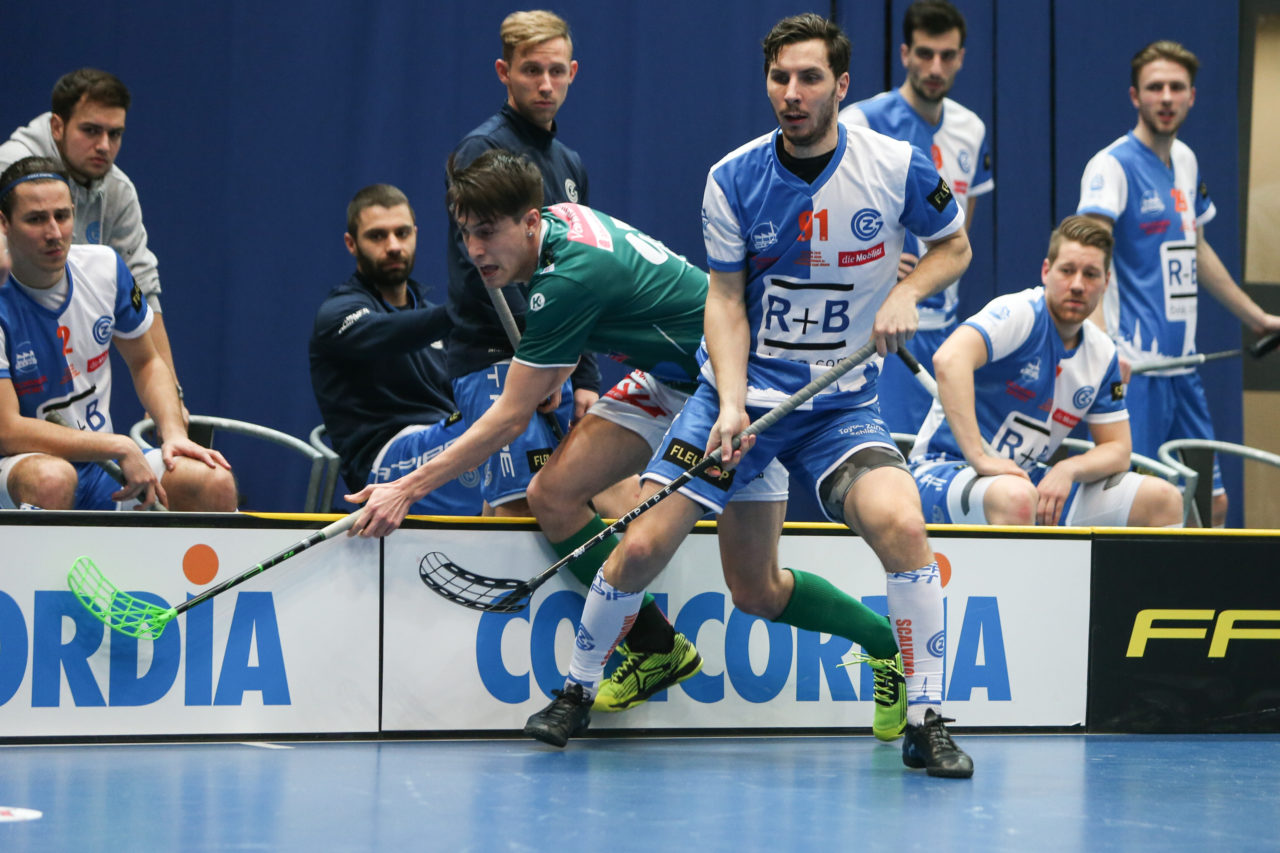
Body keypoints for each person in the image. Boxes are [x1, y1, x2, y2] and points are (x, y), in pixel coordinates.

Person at [521, 14, 975, 777]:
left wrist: (914, 293)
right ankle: (574, 690)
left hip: (839, 406)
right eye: (779, 79)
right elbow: (724, 302)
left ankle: (928, 718)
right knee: (653, 550)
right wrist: (730, 402)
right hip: (743, 402)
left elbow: (953, 246)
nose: (791, 95)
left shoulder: (897, 167)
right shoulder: (733, 177)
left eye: (807, 79)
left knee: (901, 523)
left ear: (841, 85)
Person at [350, 150, 909, 725]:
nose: (474, 251)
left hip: (730, 391)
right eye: (467, 234)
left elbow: (507, 420)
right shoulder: (561, 227)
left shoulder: (565, 278)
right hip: (668, 379)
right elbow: (613, 305)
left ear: (531, 222)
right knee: (551, 495)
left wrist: (405, 489)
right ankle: (654, 648)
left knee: (756, 590)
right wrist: (559, 368)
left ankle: (884, 645)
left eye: (488, 233)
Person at [1077, 40, 1280, 527]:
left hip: (1184, 373)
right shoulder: (1111, 166)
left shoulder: (1185, 161)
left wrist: (1257, 318)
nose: (1165, 97)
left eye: (1176, 87)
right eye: (1154, 88)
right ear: (1135, 96)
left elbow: (1197, 247)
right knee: (1138, 508)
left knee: (1211, 503)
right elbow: (1089, 257)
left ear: (1191, 96)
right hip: (1136, 375)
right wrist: (1104, 348)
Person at [909, 216, 1185, 528]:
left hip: (1025, 481)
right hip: (944, 469)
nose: (1078, 285)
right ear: (1046, 271)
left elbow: (1119, 450)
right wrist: (980, 458)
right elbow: (948, 359)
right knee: (1017, 499)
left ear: (1106, 282)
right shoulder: (1021, 312)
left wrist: (1067, 470)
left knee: (1163, 499)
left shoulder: (1103, 352)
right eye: (1067, 271)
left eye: (1091, 274)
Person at [444, 10, 610, 518]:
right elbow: (485, 272)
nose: (545, 84)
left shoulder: (570, 163)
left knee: (608, 501)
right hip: (497, 358)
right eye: (531, 71)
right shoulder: (483, 149)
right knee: (523, 512)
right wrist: (543, 361)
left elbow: (581, 276)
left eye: (556, 71)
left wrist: (584, 378)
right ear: (503, 72)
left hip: (553, 361)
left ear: (573, 73)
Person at [0, 157, 235, 511]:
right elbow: (8, 431)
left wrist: (173, 432)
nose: (54, 232)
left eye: (62, 216)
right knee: (52, 480)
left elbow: (147, 361)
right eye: (36, 219)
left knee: (212, 482)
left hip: (101, 462)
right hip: (20, 466)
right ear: (4, 223)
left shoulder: (104, 268)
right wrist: (116, 445)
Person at [839, 0, 992, 435]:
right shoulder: (861, 123)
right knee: (886, 463)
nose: (935, 67)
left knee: (938, 464)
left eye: (947, 55)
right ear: (905, 54)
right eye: (925, 54)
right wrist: (878, 264)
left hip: (947, 331)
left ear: (961, 57)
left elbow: (960, 233)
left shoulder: (972, 129)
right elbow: (829, 225)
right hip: (881, 335)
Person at [0, 69, 185, 409]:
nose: (104, 145)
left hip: (66, 345)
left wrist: (173, 400)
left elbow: (143, 285)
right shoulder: (9, 170)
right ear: (58, 126)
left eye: (115, 134)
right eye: (90, 130)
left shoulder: (117, 190)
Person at [308, 184, 482, 514]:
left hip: (444, 442)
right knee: (507, 428)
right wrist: (463, 309)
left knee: (545, 430)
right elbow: (390, 332)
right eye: (377, 236)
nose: (393, 246)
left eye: (402, 233)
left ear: (415, 234)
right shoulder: (337, 315)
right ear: (351, 244)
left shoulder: (436, 318)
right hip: (384, 463)